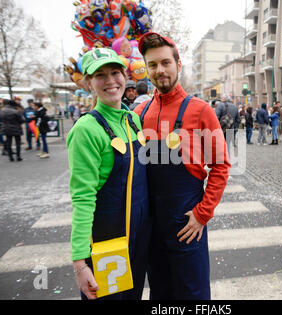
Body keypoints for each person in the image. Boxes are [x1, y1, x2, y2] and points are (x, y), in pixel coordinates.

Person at [134, 32, 230, 300]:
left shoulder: (200, 110)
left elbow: (221, 165)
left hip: (187, 224)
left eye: (165, 62)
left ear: (178, 63)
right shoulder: (139, 114)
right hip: (151, 227)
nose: (160, 70)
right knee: (160, 292)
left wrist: (203, 213)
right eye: (152, 65)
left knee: (193, 294)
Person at [66, 48, 151, 300]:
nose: (111, 80)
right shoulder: (86, 130)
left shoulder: (132, 120)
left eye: (115, 72)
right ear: (88, 83)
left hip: (139, 239)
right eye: (100, 75)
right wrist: (80, 264)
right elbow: (83, 199)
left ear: (125, 76)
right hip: (107, 246)